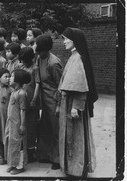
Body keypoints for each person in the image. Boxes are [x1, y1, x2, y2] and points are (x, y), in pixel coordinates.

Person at [58, 27, 98, 177]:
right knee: (70, 136)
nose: (64, 42)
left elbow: (81, 87)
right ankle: (71, 167)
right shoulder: (73, 56)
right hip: (68, 103)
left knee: (75, 136)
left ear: (74, 40)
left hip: (74, 105)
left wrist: (76, 107)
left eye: (65, 39)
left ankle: (77, 169)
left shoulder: (78, 58)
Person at [35, 34, 63, 170]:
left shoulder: (54, 63)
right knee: (45, 128)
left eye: (40, 49)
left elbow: (61, 86)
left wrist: (58, 105)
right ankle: (45, 154)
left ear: (46, 49)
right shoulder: (39, 59)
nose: (38, 52)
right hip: (44, 100)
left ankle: (57, 158)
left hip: (54, 100)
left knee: (55, 129)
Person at [4, 69, 30, 175]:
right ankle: (13, 164)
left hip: (18, 123)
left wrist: (22, 125)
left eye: (12, 76)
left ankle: (20, 166)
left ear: (18, 80)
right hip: (11, 123)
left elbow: (22, 110)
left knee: (19, 144)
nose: (9, 78)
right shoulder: (14, 92)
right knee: (12, 143)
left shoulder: (22, 93)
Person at [19, 47, 40, 163]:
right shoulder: (22, 67)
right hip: (23, 99)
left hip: (31, 100)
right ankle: (24, 149)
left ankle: (31, 151)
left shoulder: (35, 68)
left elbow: (37, 84)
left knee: (31, 126)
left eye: (26, 60)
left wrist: (34, 100)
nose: (24, 62)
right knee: (23, 123)